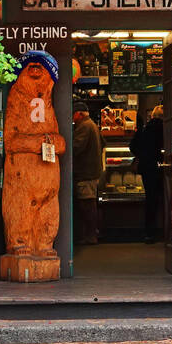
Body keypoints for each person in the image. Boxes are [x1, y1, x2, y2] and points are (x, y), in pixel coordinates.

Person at [130, 106, 165, 243]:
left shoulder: (145, 129)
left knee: (151, 199)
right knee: (166, 199)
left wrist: (143, 156)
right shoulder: (165, 129)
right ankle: (167, 230)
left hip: (147, 168)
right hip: (161, 168)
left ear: (153, 116)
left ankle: (149, 233)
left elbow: (132, 146)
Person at [72, 101, 105, 245]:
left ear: (79, 114)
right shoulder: (92, 125)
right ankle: (91, 234)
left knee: (87, 205)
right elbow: (104, 143)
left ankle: (90, 236)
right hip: (93, 171)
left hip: (86, 172)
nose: (72, 118)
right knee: (90, 204)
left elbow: (76, 147)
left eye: (73, 115)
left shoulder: (84, 126)